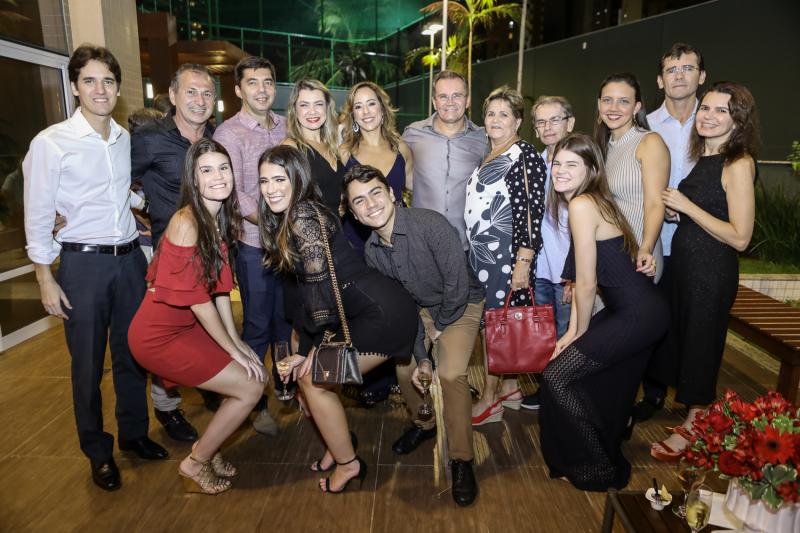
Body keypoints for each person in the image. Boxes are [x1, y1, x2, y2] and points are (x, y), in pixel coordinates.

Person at [22, 45, 167, 492]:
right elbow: (37, 211)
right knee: (87, 365)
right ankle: (98, 452)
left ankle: (134, 434)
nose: (100, 89)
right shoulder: (51, 142)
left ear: (118, 88)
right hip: (82, 265)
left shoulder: (123, 139)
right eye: (89, 80)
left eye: (107, 81)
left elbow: (120, 192)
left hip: (129, 261)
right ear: (74, 87)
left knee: (132, 354)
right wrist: (45, 276)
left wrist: (148, 204)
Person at [258, 145, 417, 494]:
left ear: (297, 178)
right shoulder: (297, 214)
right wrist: (306, 348)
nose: (271, 189)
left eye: (280, 179)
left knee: (314, 381)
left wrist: (311, 349)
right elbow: (308, 292)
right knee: (311, 379)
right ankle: (337, 444)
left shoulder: (302, 217)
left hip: (381, 314)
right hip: (363, 308)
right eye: (264, 181)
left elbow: (319, 293)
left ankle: (348, 464)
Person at [128, 138, 265, 494]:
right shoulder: (187, 221)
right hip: (159, 335)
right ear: (193, 177)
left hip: (187, 326)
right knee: (250, 386)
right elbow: (199, 301)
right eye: (207, 170)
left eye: (223, 168)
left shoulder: (218, 218)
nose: (218, 176)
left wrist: (237, 342)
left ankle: (209, 448)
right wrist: (232, 350)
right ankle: (195, 462)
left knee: (251, 375)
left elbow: (219, 290)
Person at [345, 164, 485, 506]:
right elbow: (403, 307)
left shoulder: (430, 224)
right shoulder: (373, 252)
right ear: (354, 214)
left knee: (450, 374)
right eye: (359, 201)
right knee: (404, 368)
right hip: (421, 309)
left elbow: (457, 286)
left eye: (376, 193)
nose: (371, 204)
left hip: (462, 304)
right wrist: (422, 357)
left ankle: (461, 459)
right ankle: (424, 424)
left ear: (392, 193)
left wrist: (438, 330)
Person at [539, 133, 669, 491]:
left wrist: (576, 333)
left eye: (572, 164)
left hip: (638, 314)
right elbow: (585, 281)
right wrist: (575, 331)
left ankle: (599, 466)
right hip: (632, 309)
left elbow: (587, 282)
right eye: (557, 163)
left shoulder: (583, 204)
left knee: (557, 377)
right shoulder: (593, 200)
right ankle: (590, 453)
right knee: (579, 378)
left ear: (591, 169)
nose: (560, 170)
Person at [649, 82, 759, 462]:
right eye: (705, 109)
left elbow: (740, 237)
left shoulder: (738, 163)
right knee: (685, 341)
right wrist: (678, 213)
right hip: (687, 268)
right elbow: (709, 214)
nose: (708, 116)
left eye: (720, 111)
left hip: (711, 273)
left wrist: (687, 207)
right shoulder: (706, 158)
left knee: (700, 346)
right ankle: (697, 417)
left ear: (737, 120)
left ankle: (696, 426)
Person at [131, 63, 217, 440]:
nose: (200, 100)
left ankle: (206, 381)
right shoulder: (150, 139)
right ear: (173, 95)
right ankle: (167, 408)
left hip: (211, 252)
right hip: (170, 258)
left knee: (205, 326)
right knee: (169, 335)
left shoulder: (214, 137)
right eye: (191, 91)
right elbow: (113, 182)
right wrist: (142, 207)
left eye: (207, 93)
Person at [213, 56, 291, 436]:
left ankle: (286, 384)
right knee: (258, 325)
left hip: (289, 246)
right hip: (254, 245)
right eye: (253, 83)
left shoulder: (287, 126)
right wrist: (274, 220)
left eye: (268, 82)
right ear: (238, 89)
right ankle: (255, 402)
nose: (262, 90)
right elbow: (232, 191)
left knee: (286, 321)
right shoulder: (228, 133)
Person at [464, 86, 547, 426]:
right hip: (486, 257)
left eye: (504, 114)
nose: (496, 119)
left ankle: (489, 400)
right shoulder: (492, 153)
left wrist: (523, 262)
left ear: (518, 121)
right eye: (490, 113)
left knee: (496, 328)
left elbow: (531, 211)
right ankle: (510, 389)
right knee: (500, 324)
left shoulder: (523, 154)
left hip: (507, 257)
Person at [634, 43, 708, 423]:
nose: (679, 75)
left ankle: (692, 397)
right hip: (654, 238)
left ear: (701, 76)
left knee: (693, 322)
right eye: (672, 70)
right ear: (660, 80)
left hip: (699, 240)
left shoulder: (713, 120)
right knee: (652, 316)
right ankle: (653, 392)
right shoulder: (645, 124)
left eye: (687, 68)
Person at [522, 95, 576, 412]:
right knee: (544, 336)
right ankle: (549, 392)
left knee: (569, 336)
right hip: (539, 269)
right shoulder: (536, 163)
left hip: (567, 271)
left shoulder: (581, 162)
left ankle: (567, 397)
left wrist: (576, 274)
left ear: (570, 122)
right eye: (541, 122)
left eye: (555, 119)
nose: (548, 127)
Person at [594, 73, 669, 283]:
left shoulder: (649, 142)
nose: (613, 107)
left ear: (636, 107)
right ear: (599, 105)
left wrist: (645, 248)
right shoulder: (601, 148)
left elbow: (655, 203)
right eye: (607, 100)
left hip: (638, 256)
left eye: (623, 101)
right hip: (607, 254)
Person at [402, 70, 487, 250]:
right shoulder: (412, 134)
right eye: (443, 96)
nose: (450, 102)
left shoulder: (482, 138)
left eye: (457, 95)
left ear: (467, 100)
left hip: (465, 245)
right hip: (421, 244)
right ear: (434, 102)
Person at [338, 81, 414, 253]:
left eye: (371, 103)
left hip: (398, 239)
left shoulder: (401, 149)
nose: (366, 112)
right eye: (358, 106)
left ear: (382, 108)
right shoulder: (344, 153)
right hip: (358, 242)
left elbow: (415, 189)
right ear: (353, 115)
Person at [281, 78, 343, 215]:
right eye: (304, 105)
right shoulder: (291, 147)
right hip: (311, 226)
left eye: (318, 104)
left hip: (339, 225)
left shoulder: (333, 145)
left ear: (327, 107)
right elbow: (283, 199)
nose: (312, 111)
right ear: (294, 110)